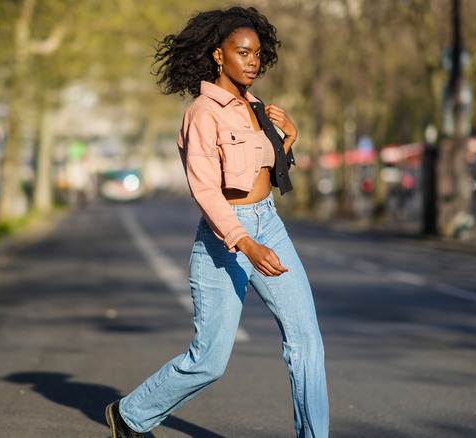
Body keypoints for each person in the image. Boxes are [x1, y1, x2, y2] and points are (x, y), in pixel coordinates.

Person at [105, 6, 329, 438]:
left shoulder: (258, 106)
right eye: (242, 52)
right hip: (224, 238)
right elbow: (206, 191)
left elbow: (267, 171)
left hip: (270, 225)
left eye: (258, 53)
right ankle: (129, 415)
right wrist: (246, 244)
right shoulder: (202, 114)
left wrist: (289, 140)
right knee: (210, 359)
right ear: (218, 56)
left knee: (306, 340)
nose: (253, 61)